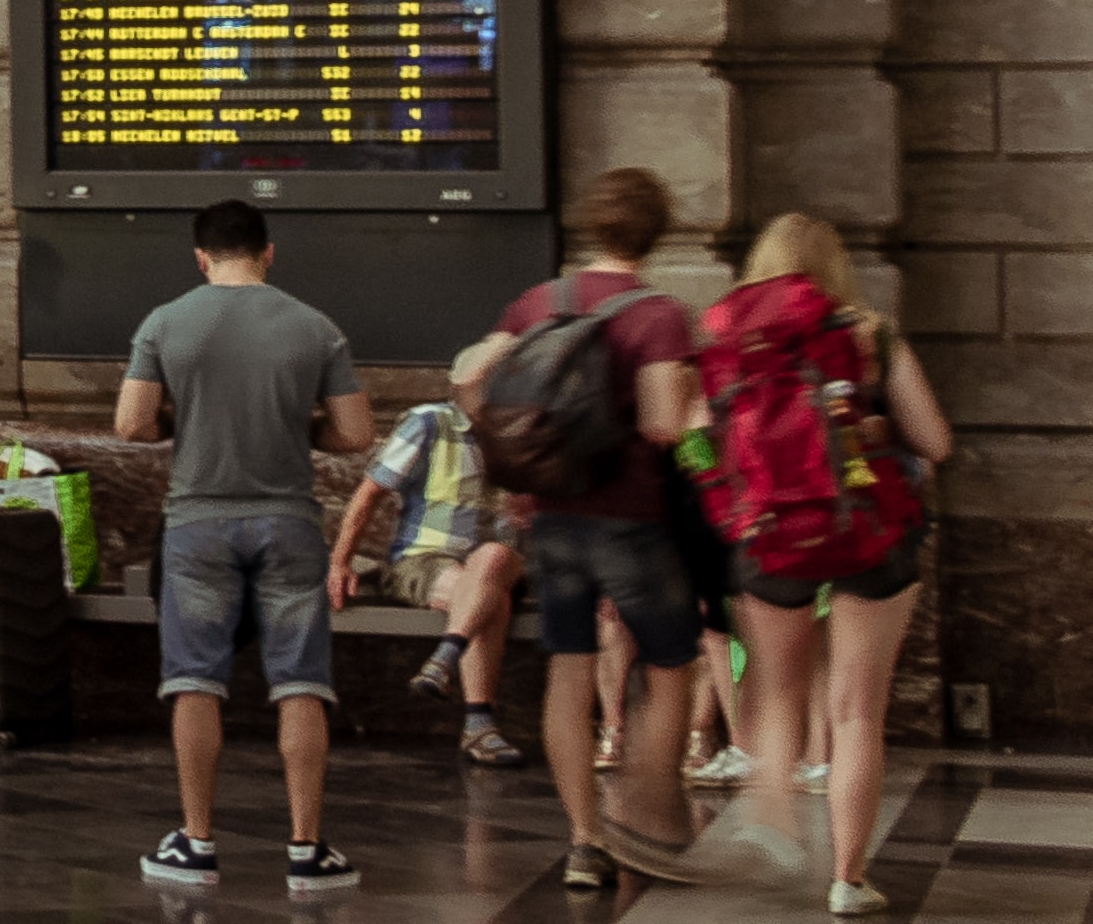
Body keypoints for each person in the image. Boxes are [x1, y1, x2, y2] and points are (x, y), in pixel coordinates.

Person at [116, 195, 372, 894]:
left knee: (195, 679)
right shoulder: (315, 327)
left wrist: (186, 416)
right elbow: (355, 434)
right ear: (267, 252)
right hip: (289, 523)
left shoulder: (166, 322)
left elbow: (132, 424)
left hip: (198, 525)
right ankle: (307, 851)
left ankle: (196, 842)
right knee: (301, 682)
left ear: (200, 256)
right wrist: (297, 430)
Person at [703, 210, 955, 918]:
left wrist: (728, 503)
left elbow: (693, 438)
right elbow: (935, 441)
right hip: (870, 533)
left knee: (776, 692)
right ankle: (848, 877)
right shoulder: (869, 333)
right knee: (853, 712)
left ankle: (769, 822)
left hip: (772, 534)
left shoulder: (722, 333)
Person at [494, 166, 722, 891]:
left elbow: (477, 383)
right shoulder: (658, 316)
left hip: (554, 519)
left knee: (569, 670)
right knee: (671, 663)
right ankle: (649, 814)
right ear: (656, 234)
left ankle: (584, 840)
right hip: (634, 521)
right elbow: (662, 424)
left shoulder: (537, 302)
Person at [331, 342, 526, 771]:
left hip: (500, 560)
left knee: (493, 559)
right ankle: (479, 724)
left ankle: (445, 658)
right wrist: (339, 561)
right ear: (464, 387)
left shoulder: (521, 430)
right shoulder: (429, 423)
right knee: (489, 597)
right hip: (425, 560)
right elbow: (369, 495)